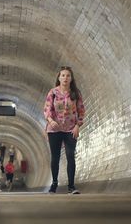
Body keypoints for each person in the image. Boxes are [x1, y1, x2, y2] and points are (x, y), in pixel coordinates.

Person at [43, 66, 85, 194]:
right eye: (63, 75)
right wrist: (51, 121)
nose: (65, 78)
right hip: (54, 129)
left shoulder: (75, 93)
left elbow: (81, 110)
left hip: (70, 129)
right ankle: (54, 184)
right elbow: (47, 109)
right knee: (55, 157)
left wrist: (78, 125)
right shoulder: (53, 92)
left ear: (71, 79)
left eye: (68, 75)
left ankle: (71, 186)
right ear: (59, 78)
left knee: (70, 156)